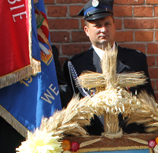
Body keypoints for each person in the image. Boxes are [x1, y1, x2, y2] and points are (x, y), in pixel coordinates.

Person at [64, 0, 153, 135]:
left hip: (131, 142)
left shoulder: (135, 60)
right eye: (97, 25)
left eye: (107, 24)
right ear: (87, 30)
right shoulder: (75, 66)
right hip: (92, 144)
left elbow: (150, 105)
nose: (103, 30)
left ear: (115, 26)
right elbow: (70, 113)